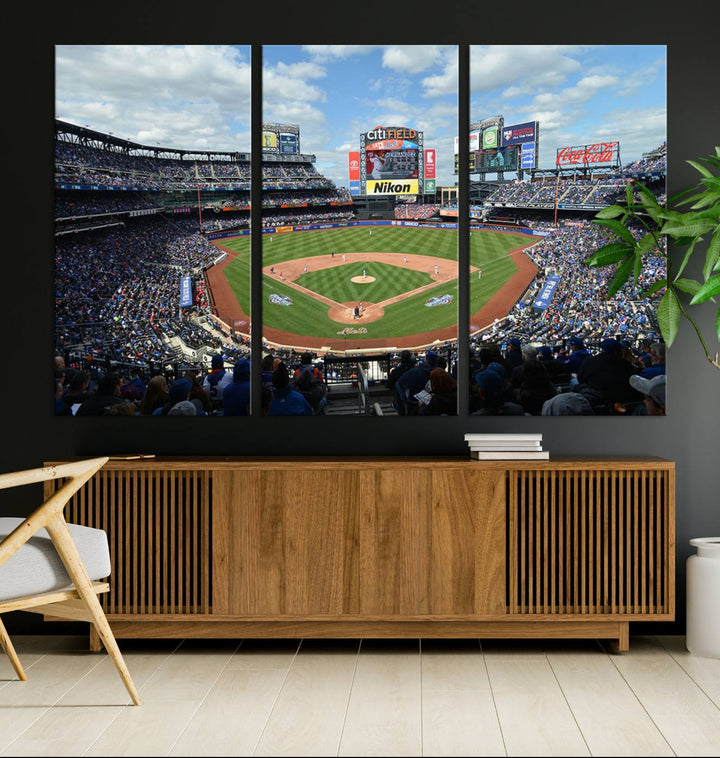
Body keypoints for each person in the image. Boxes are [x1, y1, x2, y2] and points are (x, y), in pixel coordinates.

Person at [577, 338, 643, 411]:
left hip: (598, 404)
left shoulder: (590, 361)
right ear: (618, 351)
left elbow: (581, 379)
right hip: (624, 404)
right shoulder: (628, 366)